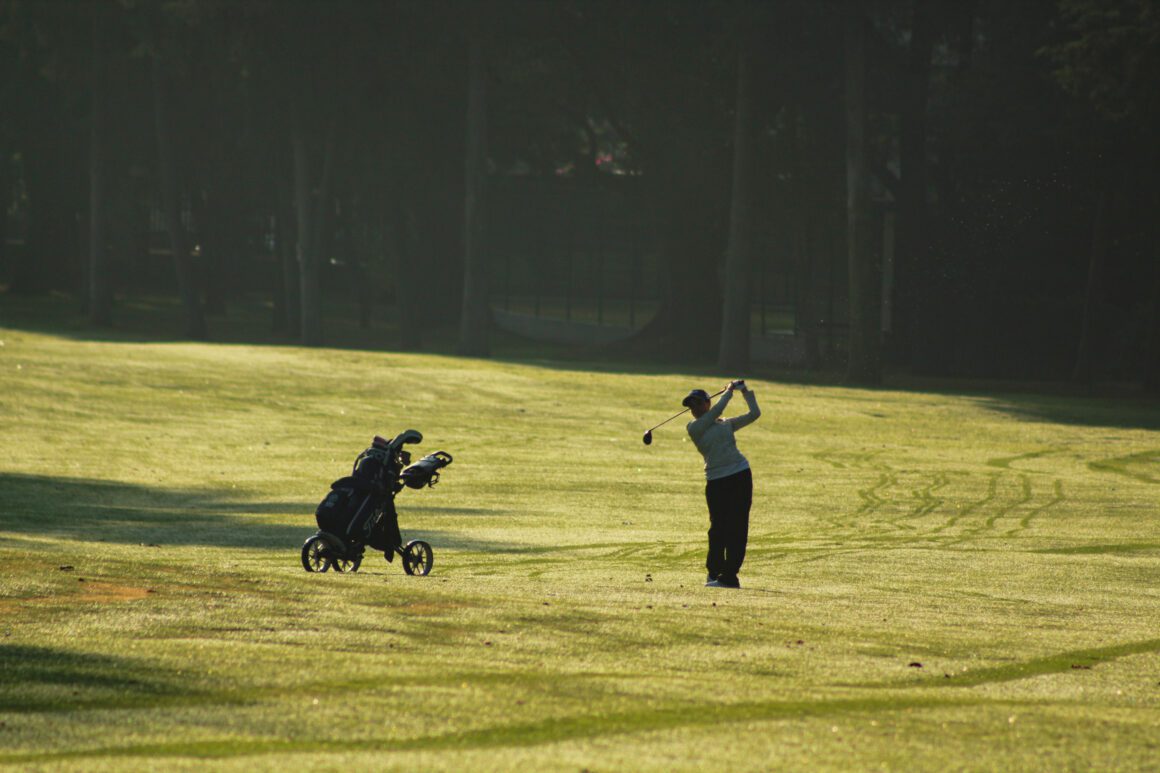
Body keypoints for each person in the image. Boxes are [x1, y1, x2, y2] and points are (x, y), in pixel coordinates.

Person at [684, 379, 761, 588]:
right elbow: (716, 410)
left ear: (706, 403)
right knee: (718, 528)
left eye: (697, 403)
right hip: (716, 480)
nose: (694, 409)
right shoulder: (694, 427)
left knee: (737, 527)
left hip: (740, 475)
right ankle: (714, 572)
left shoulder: (725, 423)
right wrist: (728, 391)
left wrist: (744, 391)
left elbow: (754, 414)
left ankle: (730, 576)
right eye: (690, 406)